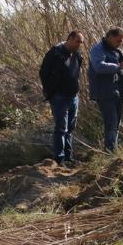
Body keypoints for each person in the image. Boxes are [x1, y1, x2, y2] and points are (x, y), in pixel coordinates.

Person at [38, 31, 85, 166]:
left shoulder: (77, 55)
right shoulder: (55, 53)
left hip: (73, 96)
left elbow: (76, 72)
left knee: (70, 128)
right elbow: (43, 73)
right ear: (69, 38)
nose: (79, 45)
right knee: (61, 128)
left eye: (81, 43)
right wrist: (51, 91)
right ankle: (60, 159)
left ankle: (68, 157)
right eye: (77, 41)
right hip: (59, 97)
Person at [88, 27, 123, 152]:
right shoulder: (97, 49)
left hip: (117, 92)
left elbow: (121, 69)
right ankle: (110, 152)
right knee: (111, 124)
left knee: (116, 125)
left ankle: (111, 151)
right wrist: (118, 66)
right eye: (118, 40)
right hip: (104, 93)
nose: (120, 43)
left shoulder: (117, 51)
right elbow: (99, 66)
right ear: (109, 37)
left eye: (121, 41)